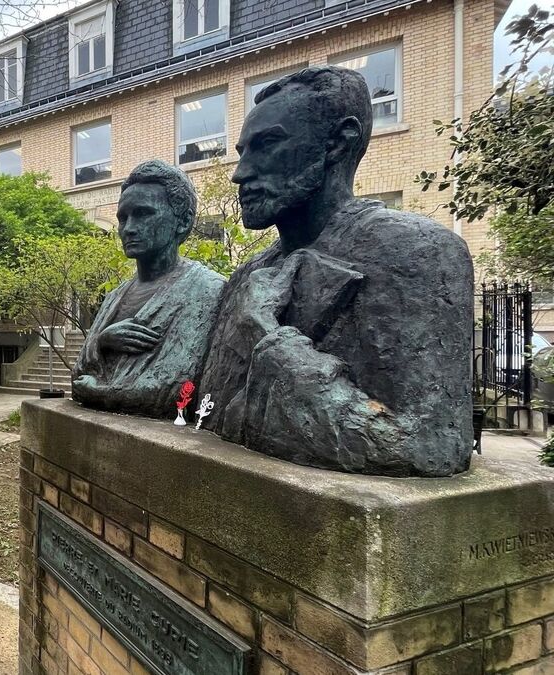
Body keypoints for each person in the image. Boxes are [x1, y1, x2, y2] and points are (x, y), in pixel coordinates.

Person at [197, 66, 474, 477]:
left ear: (337, 143)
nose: (241, 173)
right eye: (242, 152)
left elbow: (427, 446)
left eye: (267, 144)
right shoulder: (248, 274)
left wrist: (271, 340)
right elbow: (209, 411)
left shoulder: (417, 252)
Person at [72, 160, 224, 418]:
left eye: (143, 214)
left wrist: (102, 393)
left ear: (183, 222)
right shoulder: (114, 296)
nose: (128, 228)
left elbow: (177, 389)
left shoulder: (207, 289)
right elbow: (78, 377)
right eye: (123, 218)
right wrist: (102, 341)